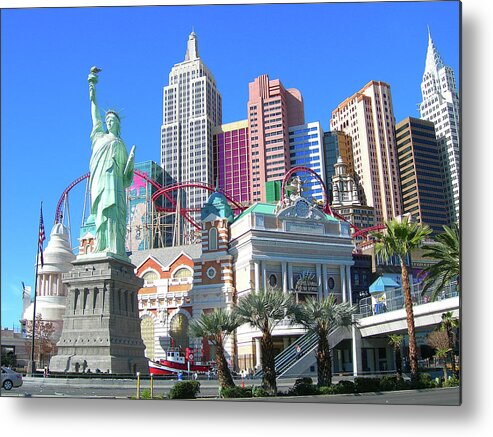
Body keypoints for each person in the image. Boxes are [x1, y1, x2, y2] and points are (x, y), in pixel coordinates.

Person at [87, 67, 135, 256]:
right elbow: (94, 113)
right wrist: (92, 89)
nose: (108, 121)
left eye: (112, 119)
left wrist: (130, 163)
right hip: (100, 180)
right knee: (100, 214)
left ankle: (115, 247)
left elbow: (125, 178)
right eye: (107, 119)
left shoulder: (120, 144)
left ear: (118, 123)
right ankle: (102, 245)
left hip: (114, 182)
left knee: (114, 213)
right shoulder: (99, 137)